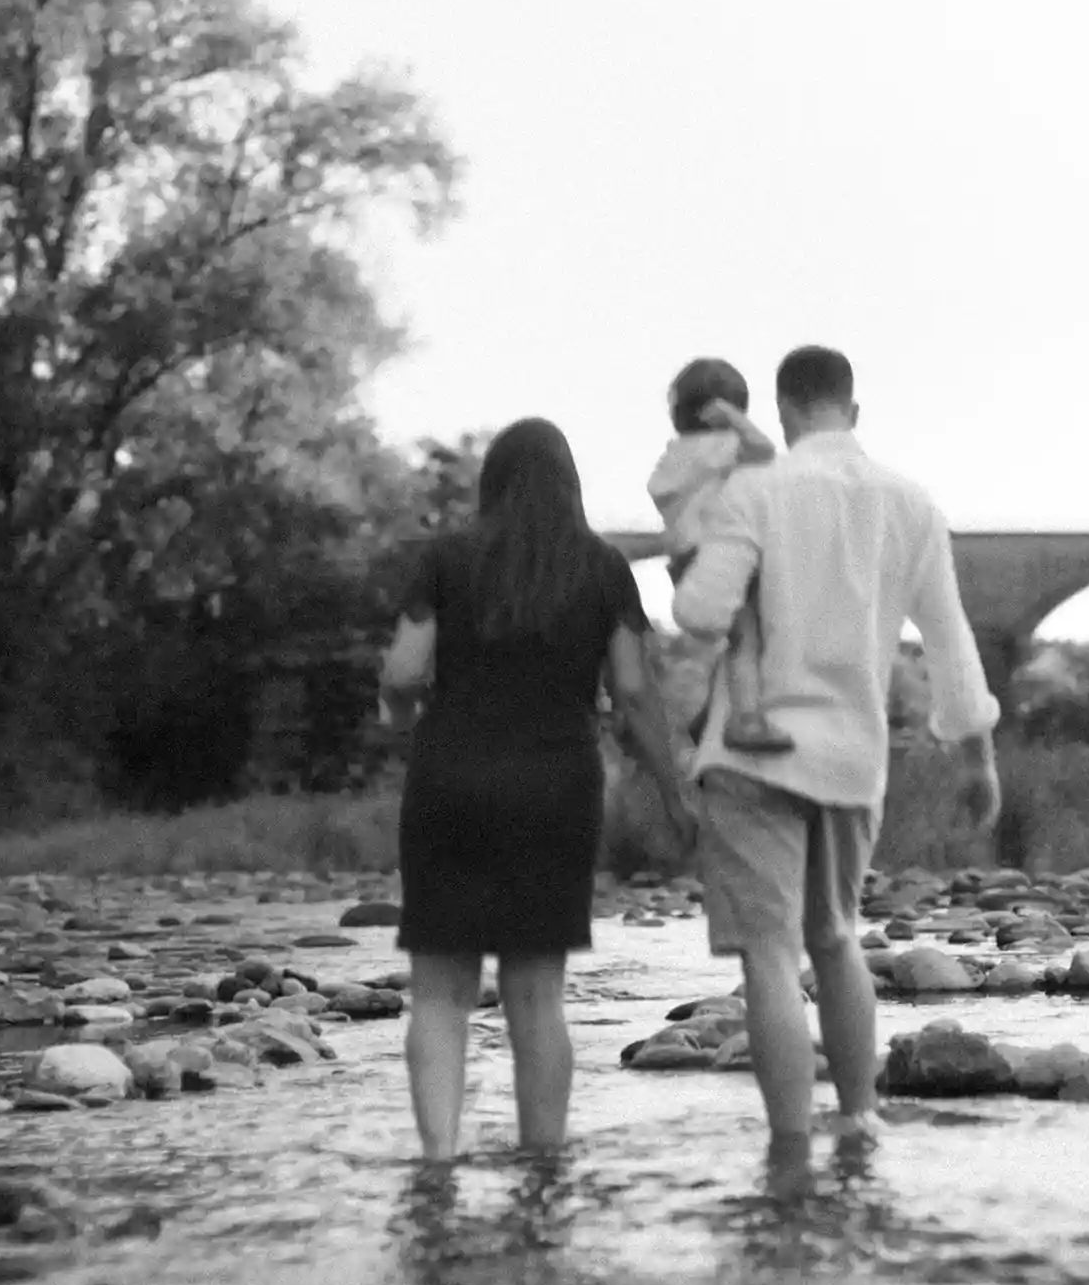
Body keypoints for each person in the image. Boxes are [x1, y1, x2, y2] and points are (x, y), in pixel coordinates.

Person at [672, 345, 1003, 1174]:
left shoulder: (757, 490)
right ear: (852, 412)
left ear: (783, 412)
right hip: (854, 759)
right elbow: (950, 638)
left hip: (753, 762)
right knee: (837, 937)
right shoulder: (911, 503)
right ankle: (859, 1126)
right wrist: (976, 753)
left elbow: (700, 610)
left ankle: (789, 1151)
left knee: (771, 955)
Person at [379, 417, 695, 1162]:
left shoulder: (444, 561)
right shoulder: (601, 568)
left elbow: (401, 672)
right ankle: (544, 1165)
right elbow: (633, 693)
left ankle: (437, 1163)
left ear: (491, 484)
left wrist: (397, 717)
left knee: (440, 991)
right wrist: (676, 790)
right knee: (536, 995)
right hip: (555, 786)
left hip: (450, 778)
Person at [647, 357, 793, 755]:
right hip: (714, 555)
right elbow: (765, 451)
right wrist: (733, 420)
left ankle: (708, 713)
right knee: (748, 636)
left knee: (730, 642)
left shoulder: (673, 456)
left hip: (681, 560)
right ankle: (745, 720)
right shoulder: (722, 446)